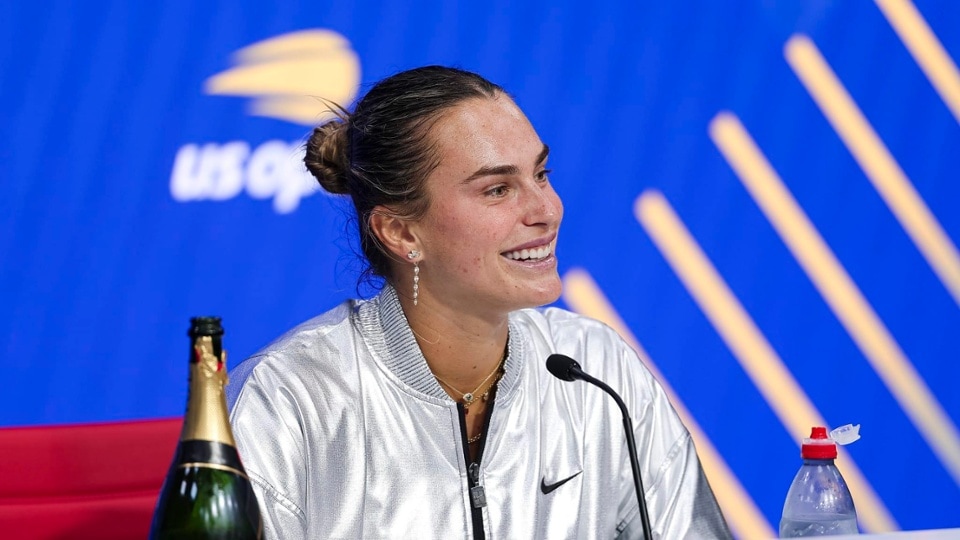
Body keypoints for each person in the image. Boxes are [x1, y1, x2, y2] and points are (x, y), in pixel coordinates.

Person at [226, 65, 731, 539]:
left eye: (541, 174)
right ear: (400, 232)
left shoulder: (597, 371)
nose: (545, 210)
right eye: (497, 189)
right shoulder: (288, 397)